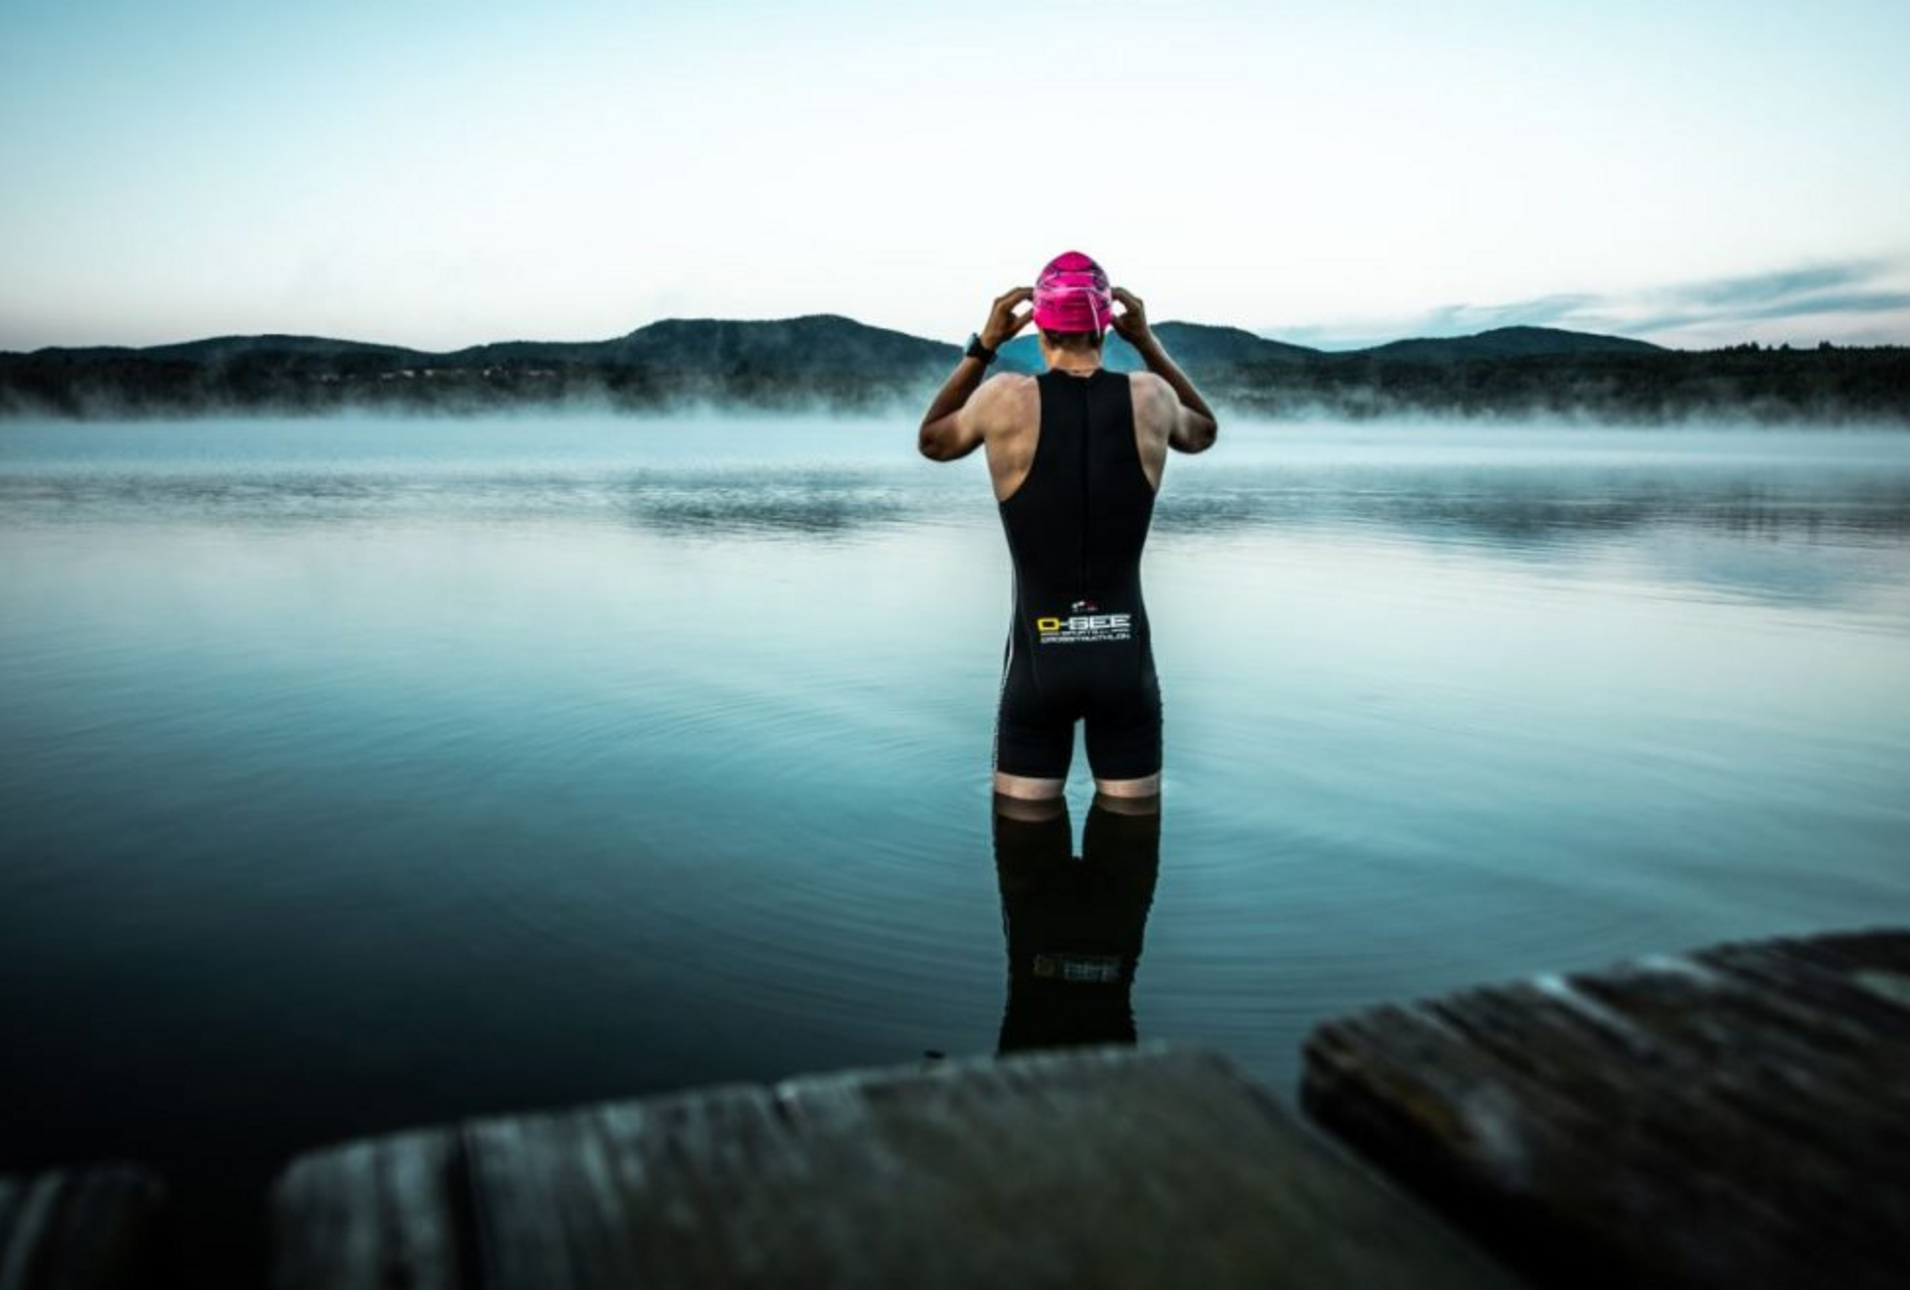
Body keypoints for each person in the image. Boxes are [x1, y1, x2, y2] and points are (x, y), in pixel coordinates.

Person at [917, 250, 1218, 803]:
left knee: (1025, 854)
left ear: (1040, 328)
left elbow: (933, 440)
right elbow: (1204, 433)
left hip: (1039, 667)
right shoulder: (1152, 397)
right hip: (1125, 666)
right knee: (1130, 852)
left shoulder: (1004, 397)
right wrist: (1147, 344)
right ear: (1107, 325)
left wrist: (983, 347)